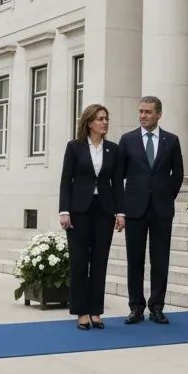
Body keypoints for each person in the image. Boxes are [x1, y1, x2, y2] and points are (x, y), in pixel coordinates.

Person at [117, 96, 184, 325]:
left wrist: (166, 196)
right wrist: (122, 208)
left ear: (158, 114)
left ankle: (157, 306)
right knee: (134, 260)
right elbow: (119, 176)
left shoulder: (171, 140)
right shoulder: (127, 140)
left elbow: (178, 174)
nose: (143, 115)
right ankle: (136, 307)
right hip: (135, 209)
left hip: (162, 210)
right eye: (141, 111)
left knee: (160, 259)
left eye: (147, 112)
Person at [58, 103, 124, 330]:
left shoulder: (113, 149)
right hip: (78, 211)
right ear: (88, 123)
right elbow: (66, 180)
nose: (104, 122)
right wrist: (64, 210)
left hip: (104, 210)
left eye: (106, 118)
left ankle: (96, 311)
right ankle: (81, 312)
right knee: (79, 261)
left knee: (99, 261)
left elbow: (117, 184)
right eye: (99, 119)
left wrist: (120, 212)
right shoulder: (74, 147)